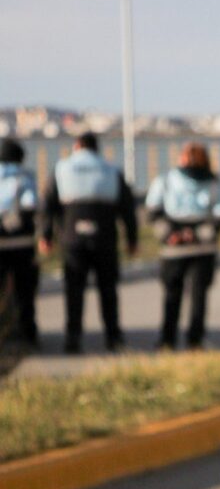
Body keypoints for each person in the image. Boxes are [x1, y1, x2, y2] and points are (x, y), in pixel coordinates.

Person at [41, 132, 138, 354]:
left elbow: (48, 206)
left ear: (77, 146)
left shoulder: (61, 168)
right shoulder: (111, 170)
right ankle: (113, 337)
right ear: (96, 148)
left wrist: (46, 236)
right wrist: (132, 240)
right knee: (108, 290)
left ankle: (73, 338)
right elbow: (128, 209)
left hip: (72, 238)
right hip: (105, 238)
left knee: (74, 290)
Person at [145, 142, 220, 350]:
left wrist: (171, 235)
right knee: (197, 296)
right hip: (203, 247)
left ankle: (167, 340)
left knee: (172, 294)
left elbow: (152, 211)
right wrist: (198, 234)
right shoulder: (214, 182)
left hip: (174, 249)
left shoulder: (165, 180)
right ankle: (194, 341)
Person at [0, 138, 40, 348]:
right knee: (25, 293)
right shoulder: (25, 177)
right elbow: (31, 204)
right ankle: (28, 333)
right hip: (22, 245)